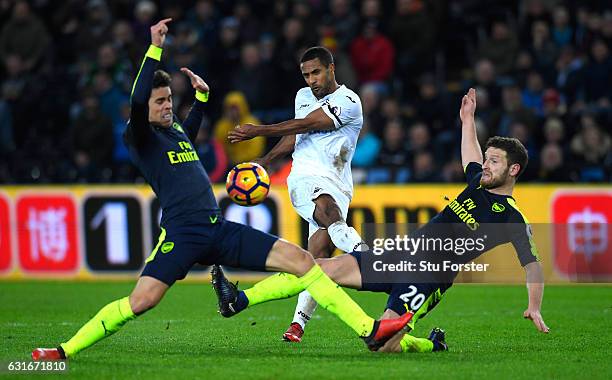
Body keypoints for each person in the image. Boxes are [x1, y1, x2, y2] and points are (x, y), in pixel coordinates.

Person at [31, 19, 410, 361]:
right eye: (160, 101)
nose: (167, 107)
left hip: (217, 227)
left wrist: (200, 99)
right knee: (141, 301)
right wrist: (155, 47)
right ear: (143, 106)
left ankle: (369, 329)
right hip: (183, 234)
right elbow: (136, 98)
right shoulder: (140, 137)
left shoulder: (174, 132)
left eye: (168, 100)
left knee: (303, 261)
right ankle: (63, 350)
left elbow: (190, 131)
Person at [216, 88, 550, 353]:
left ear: (514, 170)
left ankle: (431, 343)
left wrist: (534, 305)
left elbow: (532, 263)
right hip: (401, 255)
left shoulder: (511, 218)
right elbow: (471, 156)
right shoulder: (478, 182)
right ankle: (238, 300)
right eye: (488, 160)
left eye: (495, 162)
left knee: (382, 345)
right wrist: (467, 121)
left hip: (428, 278)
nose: (486, 166)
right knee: (314, 267)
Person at [226, 46, 367, 343]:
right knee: (329, 214)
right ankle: (369, 259)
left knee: (317, 258)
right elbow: (294, 137)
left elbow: (307, 124)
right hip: (303, 179)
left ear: (331, 69)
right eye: (306, 75)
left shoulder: (349, 101)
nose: (311, 80)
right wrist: (263, 163)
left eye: (316, 72)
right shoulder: (302, 97)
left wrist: (257, 131)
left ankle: (294, 323)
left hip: (339, 183)